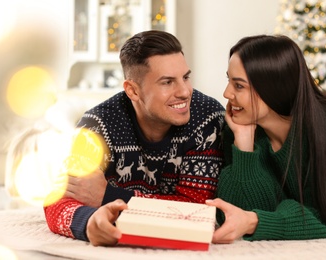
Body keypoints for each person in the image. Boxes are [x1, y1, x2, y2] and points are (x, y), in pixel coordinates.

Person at [44, 30, 225, 246]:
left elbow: (199, 213)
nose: (185, 92)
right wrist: (89, 222)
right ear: (133, 91)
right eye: (167, 82)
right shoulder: (96, 125)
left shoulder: (208, 119)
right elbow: (57, 201)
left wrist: (108, 195)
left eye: (185, 77)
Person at [206, 34, 326, 243]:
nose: (226, 93)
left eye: (239, 86)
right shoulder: (238, 126)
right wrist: (244, 144)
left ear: (271, 88)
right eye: (229, 81)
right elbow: (232, 214)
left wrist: (255, 221)